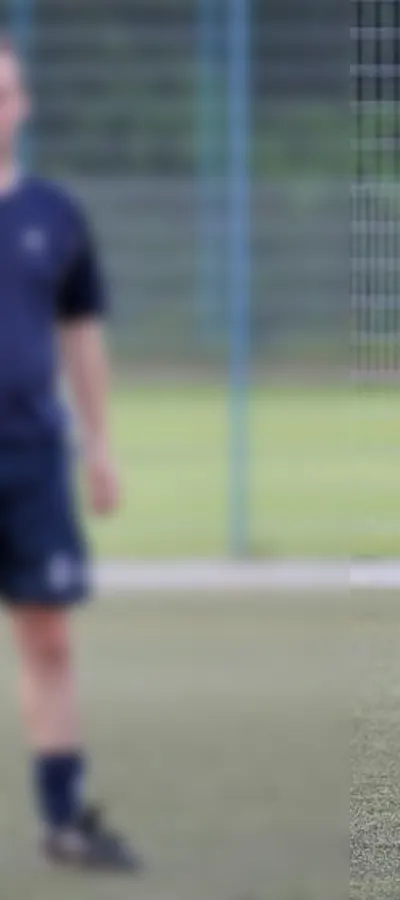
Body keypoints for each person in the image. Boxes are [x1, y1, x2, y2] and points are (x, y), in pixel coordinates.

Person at [0, 35, 139, 872]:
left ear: (22, 105)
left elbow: (81, 337)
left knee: (49, 643)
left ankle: (63, 823)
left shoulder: (55, 214)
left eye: (7, 91)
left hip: (31, 459)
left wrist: (100, 446)